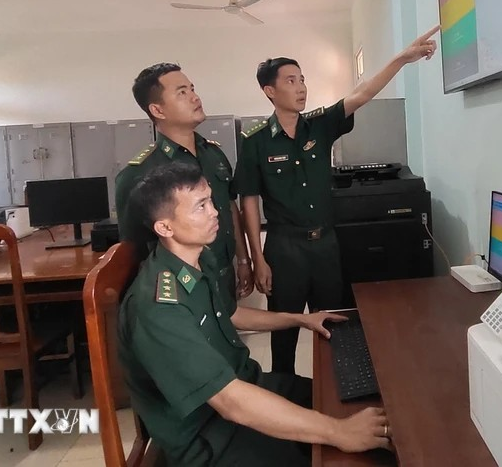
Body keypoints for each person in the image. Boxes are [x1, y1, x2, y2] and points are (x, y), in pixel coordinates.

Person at [118, 163, 392, 466]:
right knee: (341, 447)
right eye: (200, 206)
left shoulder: (198, 258)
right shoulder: (158, 308)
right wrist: (338, 432)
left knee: (343, 401)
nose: (215, 212)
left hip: (246, 385)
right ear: (165, 228)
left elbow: (230, 314)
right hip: (209, 436)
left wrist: (300, 319)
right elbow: (229, 402)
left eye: (211, 200)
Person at [235, 26, 439, 373]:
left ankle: (336, 388)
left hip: (325, 245)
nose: (301, 87)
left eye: (302, 79)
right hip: (284, 249)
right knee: (284, 331)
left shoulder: (320, 125)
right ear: (269, 90)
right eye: (290, 81)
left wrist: (402, 59)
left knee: (334, 328)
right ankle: (285, 391)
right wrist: (258, 259)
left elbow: (362, 93)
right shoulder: (255, 141)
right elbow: (249, 202)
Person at [114, 63, 253, 302]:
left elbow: (229, 208)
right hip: (181, 290)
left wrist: (243, 260)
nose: (195, 97)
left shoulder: (213, 155)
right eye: (182, 92)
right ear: (158, 110)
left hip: (224, 275)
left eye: (192, 89)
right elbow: (133, 251)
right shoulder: (140, 174)